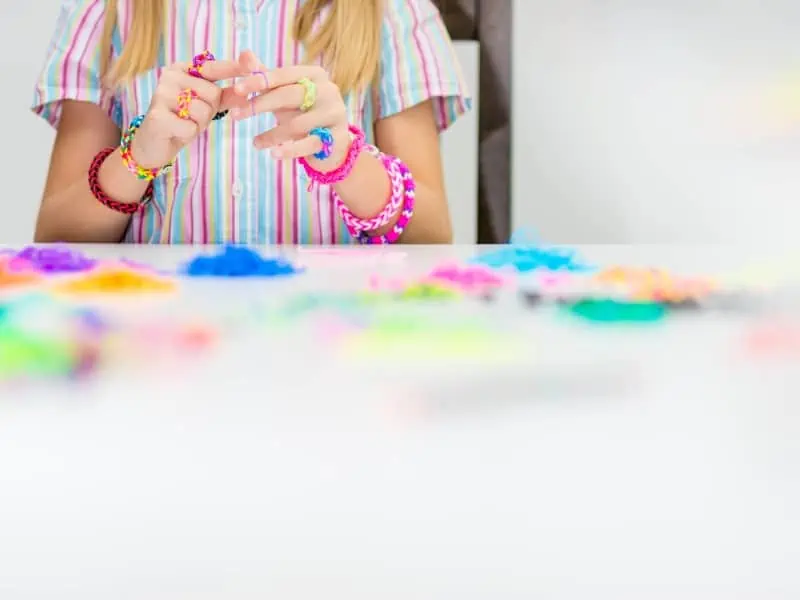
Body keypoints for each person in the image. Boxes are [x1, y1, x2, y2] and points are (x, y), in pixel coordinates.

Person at [32, 0, 470, 245]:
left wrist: (347, 161)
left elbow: (431, 235)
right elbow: (57, 235)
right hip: (160, 343)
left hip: (336, 345)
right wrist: (135, 160)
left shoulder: (393, 11)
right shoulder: (107, 10)